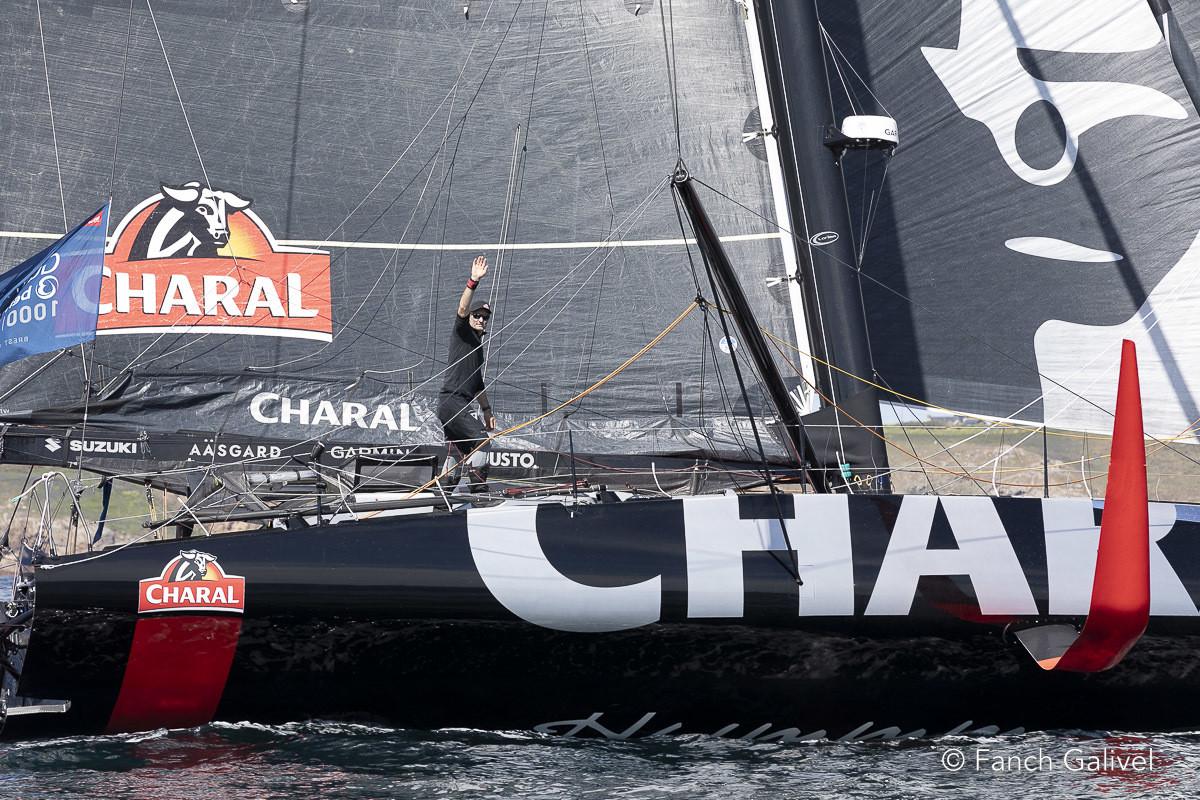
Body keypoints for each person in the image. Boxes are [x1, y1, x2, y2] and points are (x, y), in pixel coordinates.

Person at [438, 255, 496, 492]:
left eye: (485, 317)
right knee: (482, 442)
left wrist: (486, 410)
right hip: (453, 401)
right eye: (477, 315)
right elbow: (462, 309)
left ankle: (440, 503)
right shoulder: (462, 333)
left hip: (455, 403)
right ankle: (480, 496)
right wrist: (473, 280)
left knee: (457, 452)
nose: (481, 319)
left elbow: (477, 383)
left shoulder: (478, 349)